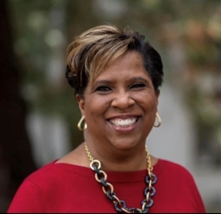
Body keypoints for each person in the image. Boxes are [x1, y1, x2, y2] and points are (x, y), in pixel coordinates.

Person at [7, 24, 206, 213]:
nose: (122, 101)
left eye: (136, 85)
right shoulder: (41, 191)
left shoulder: (180, 182)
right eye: (104, 88)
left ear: (156, 97)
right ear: (82, 104)